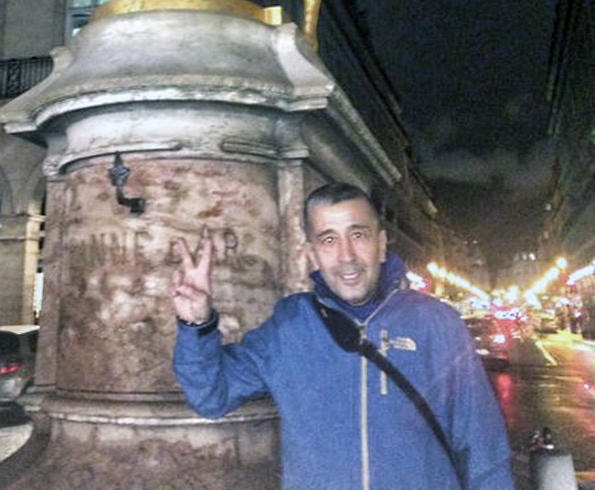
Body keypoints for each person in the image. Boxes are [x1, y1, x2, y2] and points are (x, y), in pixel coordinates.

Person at [172, 181, 515, 490]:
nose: (346, 256)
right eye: (329, 239)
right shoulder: (289, 327)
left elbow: (484, 451)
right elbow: (211, 396)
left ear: (381, 245)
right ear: (312, 255)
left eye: (358, 235)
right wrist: (196, 325)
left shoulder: (437, 324)